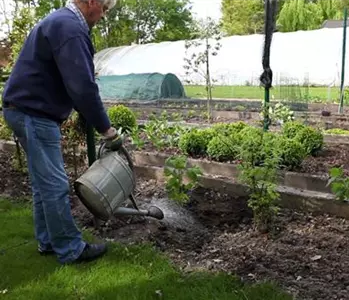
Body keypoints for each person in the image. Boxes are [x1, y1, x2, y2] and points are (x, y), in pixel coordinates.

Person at [2, 0, 118, 264]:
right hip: (34, 113)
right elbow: (82, 87)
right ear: (91, 2)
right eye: (105, 8)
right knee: (55, 185)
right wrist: (106, 129)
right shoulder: (70, 28)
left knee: (43, 185)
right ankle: (70, 248)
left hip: (22, 110)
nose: (103, 16)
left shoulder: (59, 21)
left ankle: (47, 241)